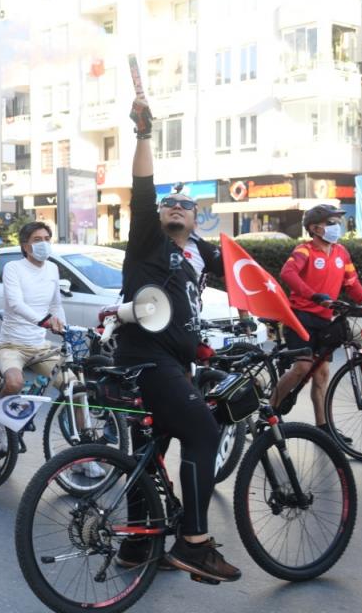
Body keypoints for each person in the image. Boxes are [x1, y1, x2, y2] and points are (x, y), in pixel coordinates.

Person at [112, 97, 240, 582]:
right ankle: (194, 543)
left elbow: (247, 278)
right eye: (171, 204)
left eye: (186, 206)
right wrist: (144, 135)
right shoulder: (148, 240)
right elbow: (142, 189)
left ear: (197, 217)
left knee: (151, 452)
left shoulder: (201, 255)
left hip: (174, 363)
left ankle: (133, 547)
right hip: (146, 357)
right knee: (204, 432)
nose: (175, 208)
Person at [274, 204, 362, 441]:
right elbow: (288, 274)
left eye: (337, 222)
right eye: (331, 222)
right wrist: (313, 295)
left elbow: (351, 283)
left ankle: (323, 427)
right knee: (302, 367)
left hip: (325, 319)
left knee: (321, 375)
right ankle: (270, 410)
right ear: (315, 228)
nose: (336, 227)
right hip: (301, 317)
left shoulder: (341, 253)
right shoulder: (305, 250)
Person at [0, 221, 66, 396]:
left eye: (47, 239)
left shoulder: (53, 268)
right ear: (25, 246)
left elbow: (56, 305)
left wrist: (63, 327)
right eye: (37, 239)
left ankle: (81, 425)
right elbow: (15, 303)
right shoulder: (14, 268)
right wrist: (44, 322)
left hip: (40, 347)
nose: (44, 243)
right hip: (12, 346)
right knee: (14, 383)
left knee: (74, 386)